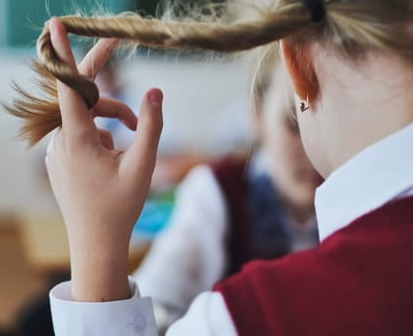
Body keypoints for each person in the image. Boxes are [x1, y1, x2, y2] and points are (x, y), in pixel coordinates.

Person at [8, 0, 413, 334]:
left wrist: (95, 243)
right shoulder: (220, 195)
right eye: (287, 128)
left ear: (298, 66)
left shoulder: (252, 317)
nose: (302, 153)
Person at [134, 62, 321, 331]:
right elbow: (155, 303)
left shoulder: (362, 199)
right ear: (257, 115)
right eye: (294, 123)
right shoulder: (217, 190)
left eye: (324, 120)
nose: (313, 149)